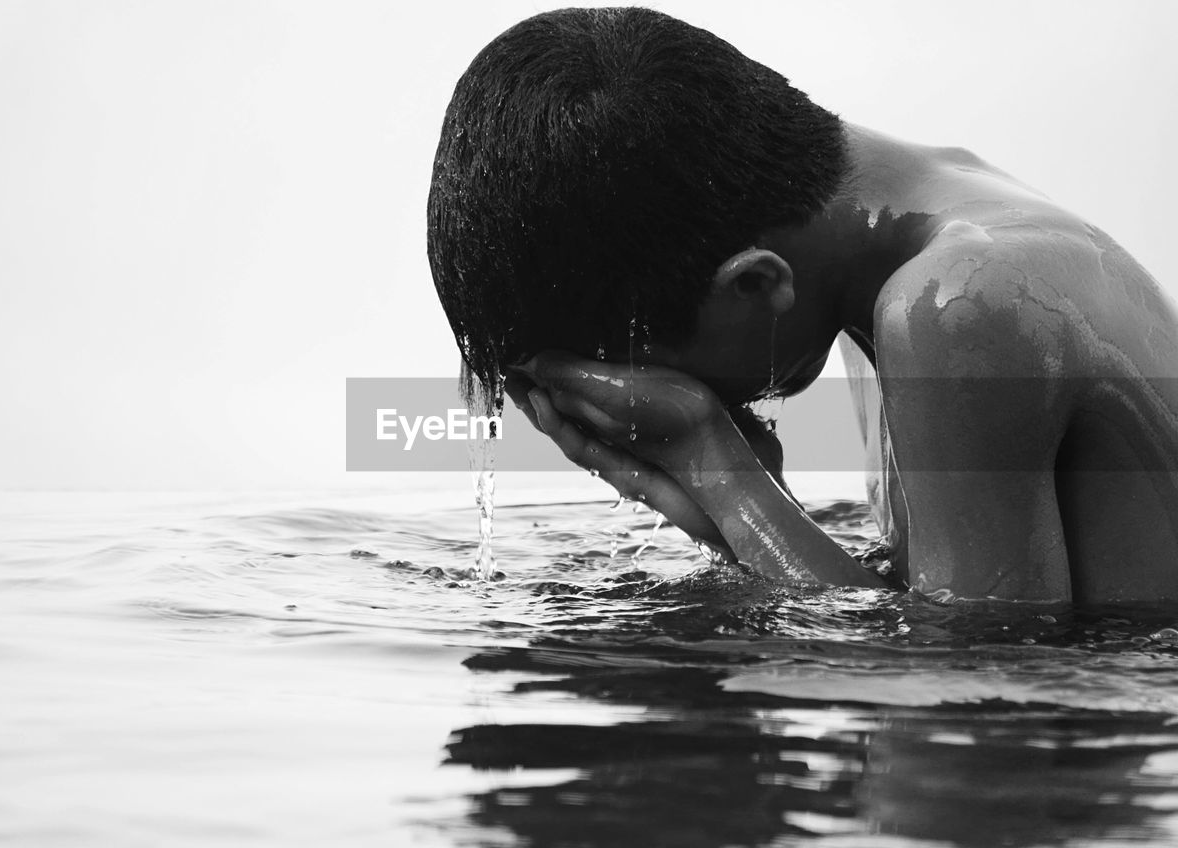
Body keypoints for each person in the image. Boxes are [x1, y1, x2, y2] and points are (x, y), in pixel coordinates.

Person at [426, 7, 1178, 603]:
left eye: (635, 374)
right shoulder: (898, 246)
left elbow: (972, 710)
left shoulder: (955, 306)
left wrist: (720, 471)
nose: (652, 407)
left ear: (755, 284)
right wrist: (746, 511)